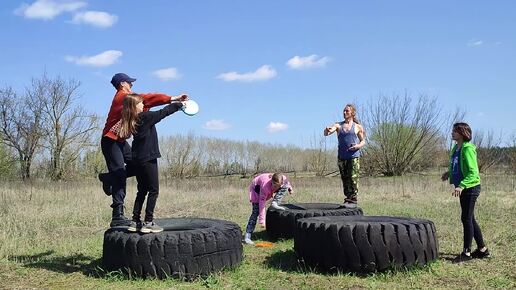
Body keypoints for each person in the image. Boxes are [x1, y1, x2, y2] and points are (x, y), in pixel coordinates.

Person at [100, 73, 188, 227]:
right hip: (111, 140)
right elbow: (148, 99)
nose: (132, 84)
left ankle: (108, 178)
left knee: (136, 166)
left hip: (120, 141)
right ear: (122, 84)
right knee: (120, 173)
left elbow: (146, 106)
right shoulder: (123, 97)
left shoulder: (127, 97)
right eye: (130, 82)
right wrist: (173, 98)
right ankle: (117, 214)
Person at [118, 94, 186, 233]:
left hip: (137, 160)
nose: (143, 105)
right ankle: (148, 222)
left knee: (142, 190)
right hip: (148, 158)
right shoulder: (144, 117)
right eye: (141, 104)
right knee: (154, 190)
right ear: (135, 106)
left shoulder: (131, 120)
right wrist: (180, 105)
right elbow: (163, 113)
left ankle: (135, 221)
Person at [441, 122, 489, 263]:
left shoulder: (467, 149)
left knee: (466, 218)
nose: (452, 133)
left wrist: (461, 186)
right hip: (463, 188)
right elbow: (459, 166)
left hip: (471, 187)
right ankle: (482, 250)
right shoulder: (457, 148)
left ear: (462, 133)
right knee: (469, 218)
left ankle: (466, 253)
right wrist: (449, 173)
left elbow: (474, 173)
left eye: (455, 131)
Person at [324, 104, 365, 208]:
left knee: (353, 177)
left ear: (352, 113)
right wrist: (327, 130)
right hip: (342, 156)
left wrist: (357, 146)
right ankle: (347, 198)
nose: (344, 113)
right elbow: (327, 133)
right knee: (345, 178)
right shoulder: (338, 125)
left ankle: (353, 198)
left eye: (347, 111)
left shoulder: (357, 126)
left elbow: (363, 141)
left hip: (353, 156)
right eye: (343, 111)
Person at [244, 172, 293, 245]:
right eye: (275, 186)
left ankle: (274, 203)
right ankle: (247, 236)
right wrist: (262, 220)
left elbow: (287, 183)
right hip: (256, 191)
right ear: (271, 182)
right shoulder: (265, 186)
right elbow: (262, 204)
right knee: (255, 212)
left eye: (278, 186)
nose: (276, 188)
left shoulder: (283, 179)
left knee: (285, 186)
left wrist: (290, 189)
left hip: (266, 189)